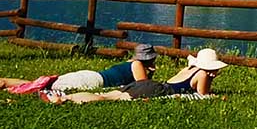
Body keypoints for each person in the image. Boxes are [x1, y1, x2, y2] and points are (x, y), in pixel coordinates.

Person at [47, 48, 227, 104]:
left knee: (110, 95)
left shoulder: (188, 70)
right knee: (106, 98)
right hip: (155, 89)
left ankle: (65, 96)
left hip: (151, 85)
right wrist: (216, 95)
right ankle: (66, 99)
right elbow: (203, 95)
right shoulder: (203, 74)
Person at [0, 44, 158, 93]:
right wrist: (151, 75)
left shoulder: (130, 63)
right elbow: (143, 87)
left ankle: (1, 81)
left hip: (90, 76)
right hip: (92, 81)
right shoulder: (137, 65)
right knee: (45, 88)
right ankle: (1, 84)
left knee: (45, 84)